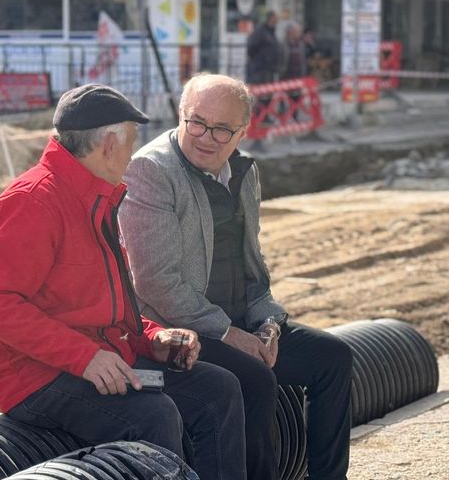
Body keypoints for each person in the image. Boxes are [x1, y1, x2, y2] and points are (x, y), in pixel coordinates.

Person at [0, 83, 247, 480]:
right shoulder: (33, 202)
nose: (133, 154)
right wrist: (83, 357)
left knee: (218, 390)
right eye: (131, 143)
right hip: (34, 374)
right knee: (153, 416)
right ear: (109, 145)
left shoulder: (94, 198)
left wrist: (152, 338)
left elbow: (105, 308)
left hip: (98, 356)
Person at [120, 73, 353, 480]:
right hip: (182, 332)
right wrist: (230, 335)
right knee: (255, 379)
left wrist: (267, 324)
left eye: (222, 129)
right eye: (197, 122)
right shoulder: (150, 171)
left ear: (243, 131)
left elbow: (252, 264)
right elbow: (156, 283)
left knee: (333, 358)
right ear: (180, 115)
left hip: (240, 322)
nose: (206, 137)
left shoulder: (243, 171)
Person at [246, 10, 282, 84]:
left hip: (270, 69)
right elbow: (251, 48)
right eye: (276, 17)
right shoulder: (260, 32)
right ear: (271, 18)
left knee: (268, 91)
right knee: (261, 92)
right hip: (261, 69)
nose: (278, 20)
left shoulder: (271, 32)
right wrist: (259, 60)